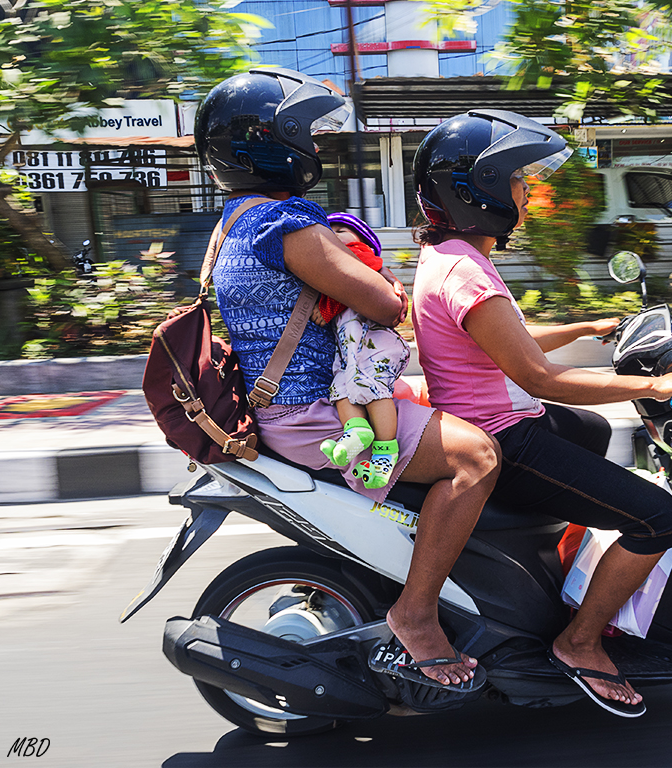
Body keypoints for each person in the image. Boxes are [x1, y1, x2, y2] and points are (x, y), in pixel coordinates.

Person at [194, 68, 500, 690]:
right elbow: (389, 309)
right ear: (269, 142)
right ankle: (415, 614)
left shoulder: (234, 222)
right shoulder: (290, 225)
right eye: (305, 132)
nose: (315, 144)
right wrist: (385, 286)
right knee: (477, 458)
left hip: (282, 408)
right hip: (316, 414)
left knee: (419, 400)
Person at [410, 109, 672, 718]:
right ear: (478, 190)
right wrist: (650, 388)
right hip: (503, 438)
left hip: (502, 420)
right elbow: (537, 378)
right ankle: (580, 640)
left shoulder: (450, 258)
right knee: (657, 517)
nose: (526, 190)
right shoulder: (466, 271)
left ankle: (564, 576)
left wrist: (587, 327)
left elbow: (503, 339)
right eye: (516, 179)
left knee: (592, 433)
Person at [313, 212, 408, 489]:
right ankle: (357, 431)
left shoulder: (359, 253)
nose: (335, 235)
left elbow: (354, 284)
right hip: (352, 347)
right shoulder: (336, 262)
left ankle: (386, 450)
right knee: (341, 387)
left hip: (373, 342)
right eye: (330, 232)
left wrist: (327, 308)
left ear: (362, 240)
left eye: (341, 230)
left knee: (374, 389)